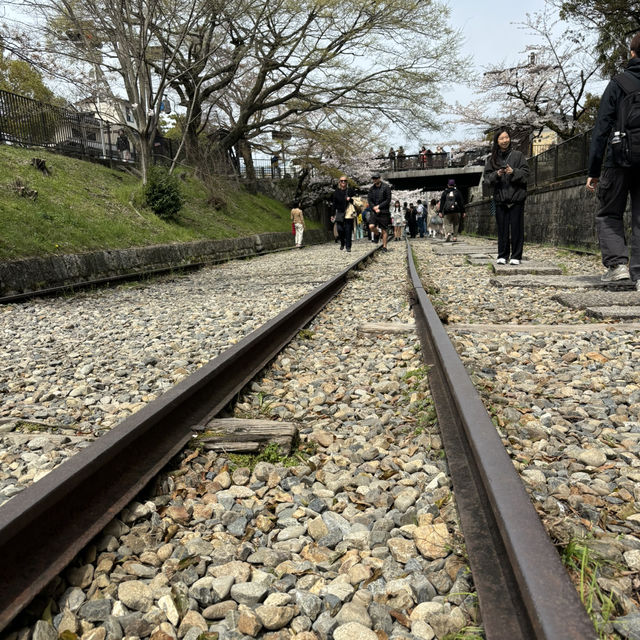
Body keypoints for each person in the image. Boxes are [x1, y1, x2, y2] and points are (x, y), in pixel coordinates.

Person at [587, 33, 640, 286]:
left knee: (609, 213)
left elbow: (601, 129)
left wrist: (593, 170)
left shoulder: (618, 83)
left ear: (632, 53)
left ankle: (618, 266)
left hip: (618, 160)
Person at [483, 128, 529, 264]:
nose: (505, 141)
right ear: (497, 141)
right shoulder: (492, 159)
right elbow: (486, 179)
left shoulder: (518, 155)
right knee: (502, 229)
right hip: (500, 198)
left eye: (506, 137)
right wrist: (496, 175)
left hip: (516, 198)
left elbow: (526, 174)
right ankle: (502, 255)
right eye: (501, 138)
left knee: (516, 228)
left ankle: (516, 256)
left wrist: (513, 172)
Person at [367, 172, 392, 251]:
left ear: (379, 178)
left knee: (384, 229)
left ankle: (384, 246)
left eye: (376, 178)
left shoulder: (386, 187)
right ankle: (377, 234)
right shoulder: (371, 189)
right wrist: (374, 207)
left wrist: (379, 206)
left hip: (384, 211)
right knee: (371, 226)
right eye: (373, 178)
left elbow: (388, 200)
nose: (374, 180)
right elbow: (369, 200)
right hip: (374, 211)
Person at [332, 175, 355, 252]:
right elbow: (334, 204)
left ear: (347, 182)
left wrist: (350, 199)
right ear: (339, 182)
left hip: (348, 212)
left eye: (345, 181)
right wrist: (332, 214)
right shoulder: (336, 192)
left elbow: (355, 201)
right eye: (342, 181)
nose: (343, 182)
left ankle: (348, 246)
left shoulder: (350, 191)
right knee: (340, 229)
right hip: (339, 212)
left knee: (348, 230)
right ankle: (342, 242)